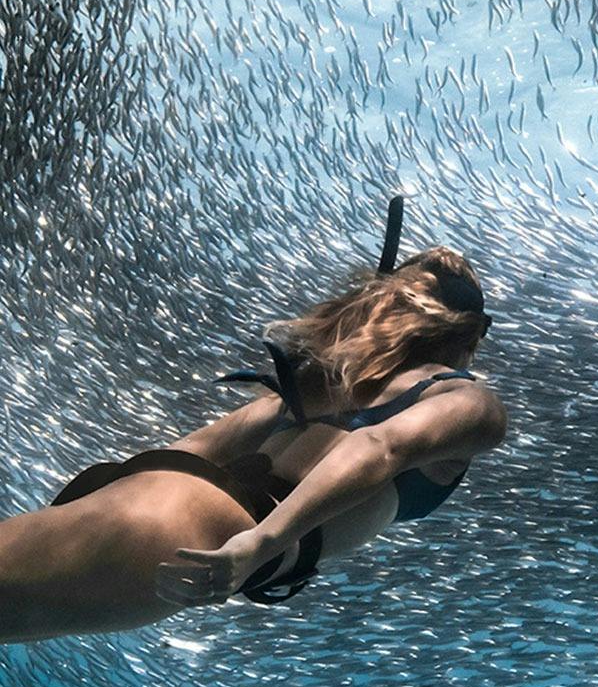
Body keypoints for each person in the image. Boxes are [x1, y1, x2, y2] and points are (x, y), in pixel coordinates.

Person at [0, 201, 508, 644]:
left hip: (154, 499)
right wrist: (263, 542)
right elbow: (378, 448)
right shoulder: (466, 400)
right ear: (469, 332)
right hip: (201, 528)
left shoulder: (321, 386)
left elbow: (197, 446)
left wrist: (82, 508)